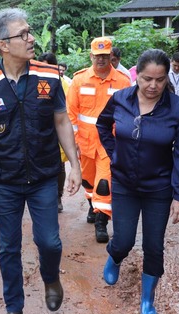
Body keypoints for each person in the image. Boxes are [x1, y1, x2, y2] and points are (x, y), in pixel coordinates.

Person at [0, 8, 82, 314]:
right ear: (3, 45)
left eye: (30, 32)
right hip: (4, 180)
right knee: (8, 247)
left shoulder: (49, 76)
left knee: (50, 241)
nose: (32, 39)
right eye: (24, 34)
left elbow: (61, 120)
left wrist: (75, 164)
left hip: (44, 175)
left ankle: (50, 277)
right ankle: (14, 308)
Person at [97, 49, 179, 314]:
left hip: (159, 188)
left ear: (166, 79)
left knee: (154, 246)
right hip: (125, 184)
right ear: (136, 76)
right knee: (124, 240)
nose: (153, 86)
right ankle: (114, 257)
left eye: (160, 80)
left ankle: (147, 301)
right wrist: (114, 152)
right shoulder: (120, 99)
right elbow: (103, 125)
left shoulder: (177, 108)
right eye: (148, 79)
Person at [69, 37, 132, 243]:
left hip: (110, 143)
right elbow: (71, 114)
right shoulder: (79, 80)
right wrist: (75, 141)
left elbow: (129, 113)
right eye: (97, 56)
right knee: (88, 179)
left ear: (111, 56)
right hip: (85, 142)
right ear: (91, 56)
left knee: (105, 182)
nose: (101, 60)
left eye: (105, 56)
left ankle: (101, 222)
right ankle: (92, 206)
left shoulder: (123, 81)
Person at [37, 52, 69, 213]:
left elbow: (66, 109)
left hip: (57, 129)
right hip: (40, 130)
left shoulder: (61, 83)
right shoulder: (34, 81)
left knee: (59, 165)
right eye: (41, 65)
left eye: (48, 65)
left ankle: (57, 196)